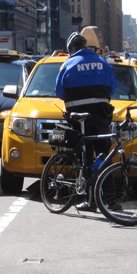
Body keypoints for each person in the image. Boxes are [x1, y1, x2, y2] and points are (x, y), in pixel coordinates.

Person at [55, 32, 117, 211]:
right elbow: (112, 87)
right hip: (100, 115)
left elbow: (59, 92)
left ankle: (91, 201)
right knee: (104, 156)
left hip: (80, 120)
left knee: (86, 158)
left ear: (72, 50)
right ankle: (112, 199)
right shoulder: (102, 62)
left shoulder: (68, 64)